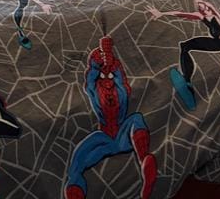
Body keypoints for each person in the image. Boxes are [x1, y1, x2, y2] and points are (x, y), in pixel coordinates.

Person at [65, 36, 157, 199]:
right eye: (102, 78)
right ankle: (74, 190)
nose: (107, 82)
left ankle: (145, 162)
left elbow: (119, 75)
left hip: (124, 134)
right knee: (77, 161)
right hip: (104, 138)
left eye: (110, 78)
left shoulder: (121, 87)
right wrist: (98, 59)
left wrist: (111, 60)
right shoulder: (93, 89)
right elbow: (91, 78)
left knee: (136, 119)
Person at [147, 0, 220, 110]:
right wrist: (162, 13)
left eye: (202, 4)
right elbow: (181, 14)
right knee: (185, 46)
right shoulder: (200, 16)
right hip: (213, 42)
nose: (201, 7)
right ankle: (187, 80)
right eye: (198, 6)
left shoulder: (215, 14)